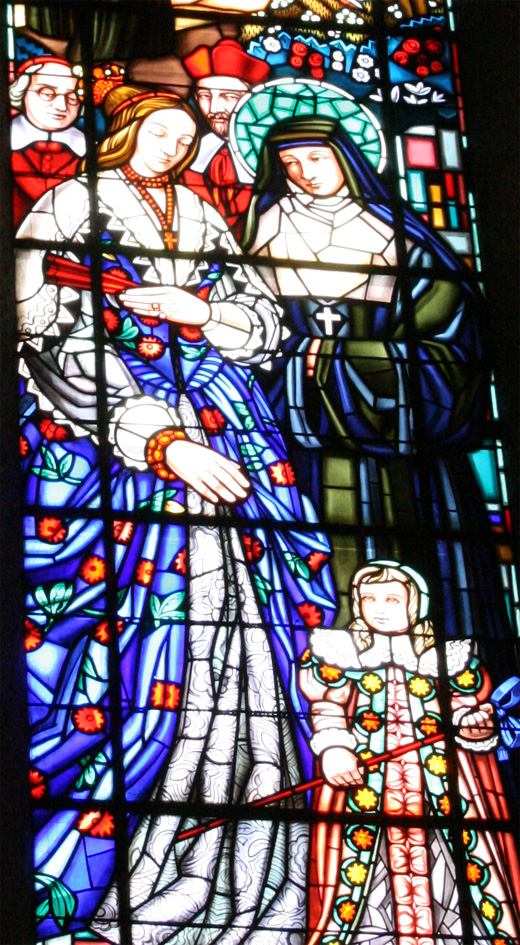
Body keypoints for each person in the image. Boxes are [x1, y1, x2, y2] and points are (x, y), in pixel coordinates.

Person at [17, 85, 336, 943]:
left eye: (187, 137)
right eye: (161, 131)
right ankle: (126, 869)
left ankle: (245, 861)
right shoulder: (72, 204)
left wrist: (205, 312)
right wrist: (161, 441)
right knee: (133, 645)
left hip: (231, 422)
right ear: (127, 132)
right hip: (115, 444)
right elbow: (47, 335)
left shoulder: (200, 212)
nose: (175, 146)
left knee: (251, 633)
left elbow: (260, 317)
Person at [242, 114, 509, 642]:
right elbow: (239, 333)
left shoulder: (404, 237)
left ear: (346, 158)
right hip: (297, 439)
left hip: (403, 448)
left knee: (420, 555)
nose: (305, 172)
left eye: (316, 158)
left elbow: (455, 338)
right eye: (290, 163)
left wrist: (346, 358)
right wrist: (292, 357)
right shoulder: (259, 234)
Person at [299, 560, 520, 945]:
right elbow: (327, 707)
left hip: (443, 791)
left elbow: (466, 709)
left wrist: (474, 725)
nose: (379, 608)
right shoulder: (338, 655)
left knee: (453, 869)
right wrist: (334, 748)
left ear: (415, 605)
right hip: (364, 790)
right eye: (368, 599)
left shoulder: (450, 660)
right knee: (362, 874)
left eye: (391, 599)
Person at [182, 39, 269, 236]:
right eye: (205, 96)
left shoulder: (276, 157)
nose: (214, 109)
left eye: (229, 97)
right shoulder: (187, 154)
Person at [10, 56, 85, 226]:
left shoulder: (94, 153)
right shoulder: (7, 142)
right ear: (22, 91)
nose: (61, 106)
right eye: (47, 93)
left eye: (73, 98)